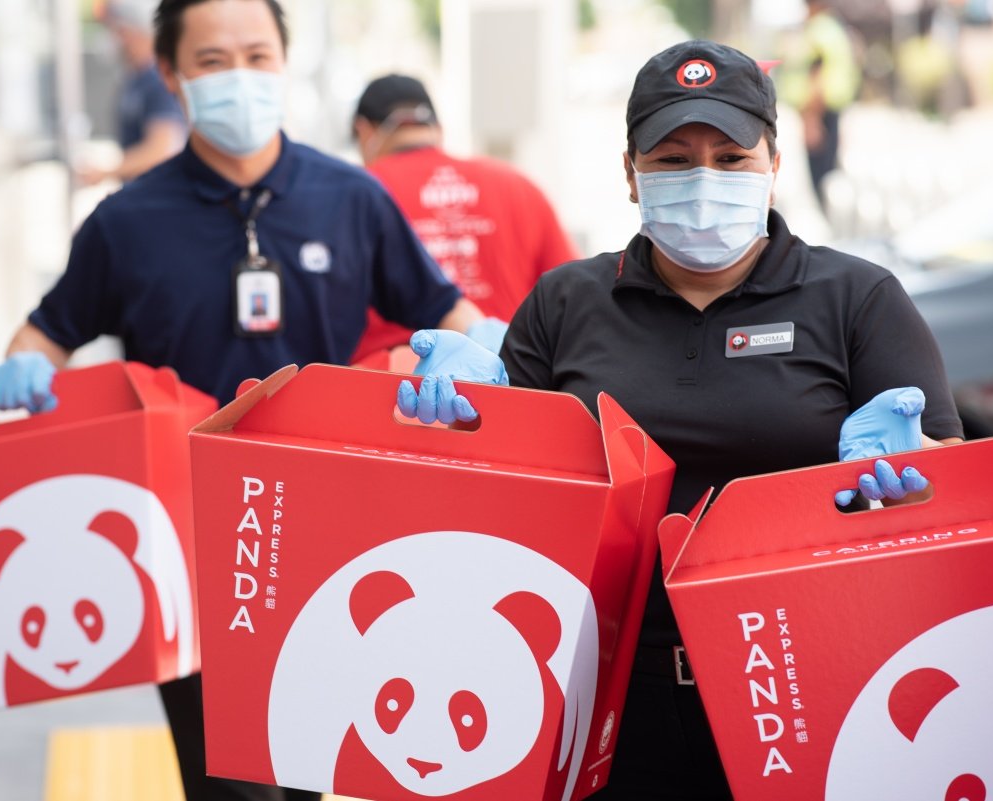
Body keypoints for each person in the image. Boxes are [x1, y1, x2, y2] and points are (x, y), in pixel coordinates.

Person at [398, 40, 964, 799]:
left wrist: (920, 476)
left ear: (772, 163)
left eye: (731, 158)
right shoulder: (566, 304)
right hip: (602, 692)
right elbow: (502, 505)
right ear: (630, 174)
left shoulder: (857, 299)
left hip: (810, 680)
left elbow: (953, 508)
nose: (704, 179)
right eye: (672, 158)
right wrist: (464, 424)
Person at [0, 0, 491, 799]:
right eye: (214, 61)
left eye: (258, 56)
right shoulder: (125, 222)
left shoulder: (350, 200)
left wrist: (484, 354)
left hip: (331, 536)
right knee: (228, 778)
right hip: (187, 548)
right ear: (171, 74)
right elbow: (44, 333)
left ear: (285, 63)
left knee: (305, 766)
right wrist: (22, 367)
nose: (240, 78)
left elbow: (460, 319)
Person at [349, 74, 579, 362]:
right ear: (437, 128)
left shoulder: (356, 194)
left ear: (364, 132)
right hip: (509, 379)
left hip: (388, 388)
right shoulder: (517, 186)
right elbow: (574, 302)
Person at [75, 0, 188, 185]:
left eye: (118, 30)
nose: (114, 38)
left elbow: (163, 149)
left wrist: (105, 173)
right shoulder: (136, 79)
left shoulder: (158, 79)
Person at [775, 0, 861, 206]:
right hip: (831, 109)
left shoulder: (817, 30)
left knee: (821, 176)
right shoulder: (835, 28)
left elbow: (817, 75)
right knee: (829, 170)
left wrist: (812, 119)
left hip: (819, 109)